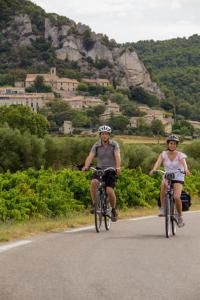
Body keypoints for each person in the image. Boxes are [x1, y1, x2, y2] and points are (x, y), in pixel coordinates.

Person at [150, 134, 190, 227]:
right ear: (168, 144)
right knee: (163, 185)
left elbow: (184, 164)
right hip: (167, 176)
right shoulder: (163, 154)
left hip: (178, 176)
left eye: (175, 144)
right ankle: (163, 208)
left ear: (176, 145)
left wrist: (186, 170)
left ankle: (180, 217)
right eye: (171, 143)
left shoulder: (180, 155)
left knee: (176, 197)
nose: (173, 145)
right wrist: (154, 169)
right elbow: (158, 163)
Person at [82, 125, 121, 222]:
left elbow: (117, 156)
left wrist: (118, 167)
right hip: (99, 168)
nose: (104, 136)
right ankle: (95, 204)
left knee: (109, 190)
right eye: (103, 134)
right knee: (94, 182)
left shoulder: (114, 144)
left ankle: (113, 210)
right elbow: (90, 156)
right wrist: (86, 166)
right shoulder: (96, 145)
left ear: (109, 135)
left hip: (111, 169)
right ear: (100, 135)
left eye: (106, 134)